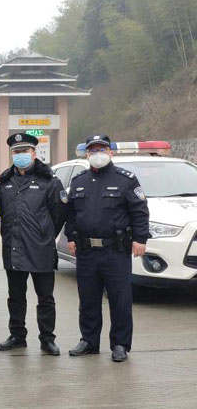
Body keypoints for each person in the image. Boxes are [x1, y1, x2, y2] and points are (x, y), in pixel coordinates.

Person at [66, 135, 149, 362]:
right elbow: (71, 213)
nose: (97, 154)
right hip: (86, 251)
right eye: (92, 150)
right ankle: (89, 341)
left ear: (111, 152)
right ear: (86, 154)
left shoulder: (125, 179)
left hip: (115, 251)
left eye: (101, 149)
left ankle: (120, 344)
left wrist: (140, 239)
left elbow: (139, 211)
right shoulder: (79, 181)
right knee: (88, 299)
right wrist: (70, 237)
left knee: (120, 299)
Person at [0, 133, 68, 356]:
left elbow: (59, 214)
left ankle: (47, 339)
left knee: (45, 297)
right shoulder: (5, 182)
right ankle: (17, 336)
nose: (20, 155)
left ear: (34, 153)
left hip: (41, 248)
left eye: (25, 151)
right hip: (13, 247)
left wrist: (44, 233)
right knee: (15, 297)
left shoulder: (50, 181)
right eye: (16, 152)